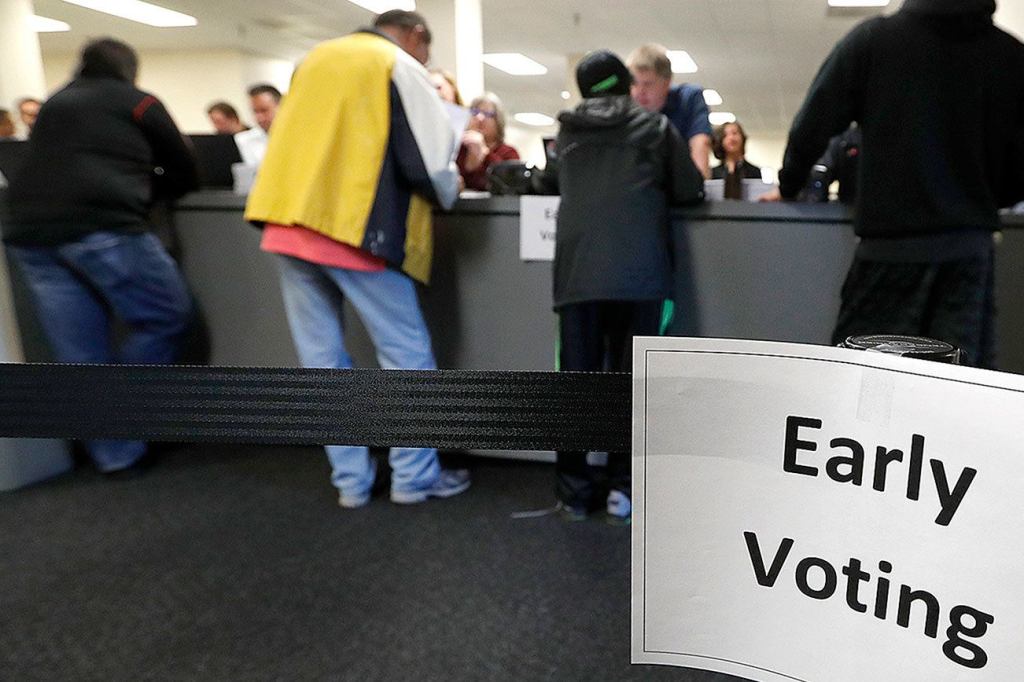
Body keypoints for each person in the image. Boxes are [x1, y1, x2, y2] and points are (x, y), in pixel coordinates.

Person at [244, 10, 469, 508]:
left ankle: (350, 483)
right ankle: (413, 480)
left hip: (287, 223)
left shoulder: (314, 58)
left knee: (323, 363)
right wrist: (452, 187)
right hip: (352, 227)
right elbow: (432, 161)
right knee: (406, 357)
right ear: (415, 36)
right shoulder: (395, 63)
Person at [761, 0, 1024, 369]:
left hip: (888, 252)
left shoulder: (873, 40)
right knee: (960, 388)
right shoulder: (1010, 55)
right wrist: (985, 196)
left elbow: (812, 125)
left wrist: (789, 186)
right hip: (966, 253)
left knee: (861, 382)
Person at [3, 38, 198, 475]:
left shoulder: (55, 102)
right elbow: (184, 168)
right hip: (101, 225)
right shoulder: (138, 102)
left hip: (28, 234)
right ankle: (127, 412)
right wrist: (151, 190)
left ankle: (116, 454)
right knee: (167, 316)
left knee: (80, 354)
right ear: (129, 69)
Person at [544, 50, 704, 523]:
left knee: (575, 387)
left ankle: (574, 494)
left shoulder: (567, 132)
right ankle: (623, 491)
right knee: (633, 387)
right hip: (642, 277)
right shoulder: (656, 128)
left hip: (578, 277)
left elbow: (549, 183)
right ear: (625, 84)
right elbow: (691, 188)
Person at [627, 43, 712, 178]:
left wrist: (700, 185)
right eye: (634, 83)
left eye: (648, 84)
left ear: (667, 82)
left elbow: (700, 145)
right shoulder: (625, 107)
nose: (639, 91)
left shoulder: (689, 99)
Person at [456, 92, 519, 191]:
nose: (479, 118)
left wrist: (485, 152)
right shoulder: (458, 149)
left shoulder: (509, 153)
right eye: (475, 112)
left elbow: (508, 184)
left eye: (487, 114)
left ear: (498, 122)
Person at [711, 121, 761, 199]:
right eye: (725, 135)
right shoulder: (713, 172)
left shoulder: (755, 171)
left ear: (742, 138)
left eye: (734, 133)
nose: (731, 138)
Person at [234, 84, 281, 166]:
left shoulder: (299, 135)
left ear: (281, 107)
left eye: (264, 110)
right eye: (255, 111)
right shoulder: (243, 140)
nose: (259, 118)